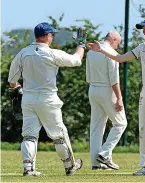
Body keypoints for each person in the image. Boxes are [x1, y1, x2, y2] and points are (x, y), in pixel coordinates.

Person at [88, 16, 145, 176]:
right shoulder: (142, 47)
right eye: (143, 29)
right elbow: (120, 58)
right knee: (144, 130)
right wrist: (102, 50)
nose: (144, 32)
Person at [8, 22, 87, 176]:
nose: (52, 37)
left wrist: (19, 89)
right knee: (58, 135)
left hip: (28, 99)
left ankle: (28, 169)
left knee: (29, 136)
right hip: (48, 99)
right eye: (52, 35)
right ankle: (70, 166)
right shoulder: (52, 53)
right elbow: (76, 60)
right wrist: (81, 44)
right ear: (46, 36)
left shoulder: (23, 53)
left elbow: (12, 80)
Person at [86, 30, 127, 171]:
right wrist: (119, 98)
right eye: (118, 43)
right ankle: (104, 154)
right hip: (107, 90)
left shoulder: (91, 52)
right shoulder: (111, 53)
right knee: (121, 123)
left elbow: (88, 77)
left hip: (93, 89)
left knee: (96, 127)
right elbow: (114, 80)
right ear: (114, 39)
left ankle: (96, 163)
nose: (118, 46)